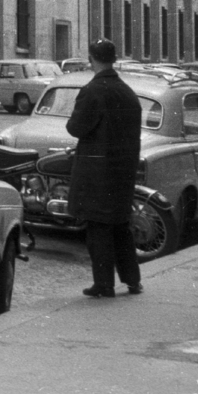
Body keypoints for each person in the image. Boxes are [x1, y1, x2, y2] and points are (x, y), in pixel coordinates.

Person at [65, 38, 143, 298]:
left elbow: (76, 128)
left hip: (97, 174)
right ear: (114, 58)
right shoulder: (128, 92)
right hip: (123, 172)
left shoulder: (92, 90)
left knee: (98, 229)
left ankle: (104, 284)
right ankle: (133, 281)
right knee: (121, 227)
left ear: (91, 59)